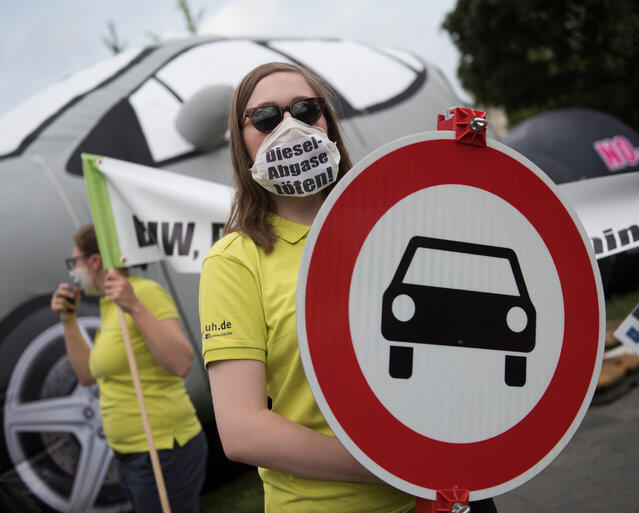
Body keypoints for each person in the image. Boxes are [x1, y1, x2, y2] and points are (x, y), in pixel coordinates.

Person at [199, 62, 499, 513]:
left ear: (328, 123)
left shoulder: (391, 223)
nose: (290, 126)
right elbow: (243, 431)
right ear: (242, 143)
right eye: (265, 117)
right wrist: (398, 464)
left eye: (305, 109)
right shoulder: (234, 261)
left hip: (452, 493)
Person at [50, 224, 207, 513]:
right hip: (132, 456)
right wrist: (67, 320)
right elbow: (86, 376)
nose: (73, 271)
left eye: (75, 262)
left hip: (163, 451)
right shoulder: (109, 305)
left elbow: (181, 362)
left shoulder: (144, 293)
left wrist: (134, 305)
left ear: (94, 261)